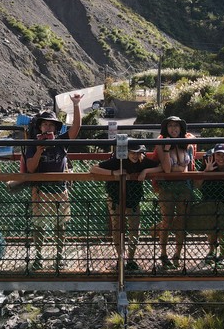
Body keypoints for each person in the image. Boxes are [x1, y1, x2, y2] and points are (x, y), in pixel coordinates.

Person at [24, 93, 83, 271]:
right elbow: (31, 168)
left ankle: (59, 255)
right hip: (40, 190)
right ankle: (39, 256)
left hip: (59, 188)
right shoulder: (33, 144)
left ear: (56, 128)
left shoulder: (60, 141)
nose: (48, 127)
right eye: (45, 124)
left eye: (51, 124)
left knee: (60, 225)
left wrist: (76, 104)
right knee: (39, 225)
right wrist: (39, 151)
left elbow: (76, 129)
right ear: (40, 127)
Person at [90, 143, 162, 271]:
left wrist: (145, 171)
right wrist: (114, 173)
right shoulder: (117, 160)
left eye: (138, 153)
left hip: (133, 199)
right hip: (115, 197)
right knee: (117, 228)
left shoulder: (143, 161)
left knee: (134, 228)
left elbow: (161, 167)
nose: (135, 155)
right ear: (126, 152)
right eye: (132, 152)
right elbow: (93, 169)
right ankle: (120, 258)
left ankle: (131, 259)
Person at [153, 116, 195, 269]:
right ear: (166, 128)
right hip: (167, 187)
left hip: (184, 186)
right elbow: (167, 169)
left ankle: (177, 254)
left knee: (181, 222)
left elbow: (185, 168)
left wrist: (178, 169)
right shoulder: (161, 143)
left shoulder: (187, 144)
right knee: (166, 221)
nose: (173, 129)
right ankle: (163, 254)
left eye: (176, 125)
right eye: (170, 126)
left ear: (181, 128)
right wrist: (166, 149)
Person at [191, 143, 224, 268]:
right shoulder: (207, 165)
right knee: (212, 229)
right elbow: (197, 185)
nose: (221, 158)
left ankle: (222, 255)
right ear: (214, 155)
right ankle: (211, 252)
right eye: (218, 154)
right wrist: (206, 172)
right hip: (210, 202)